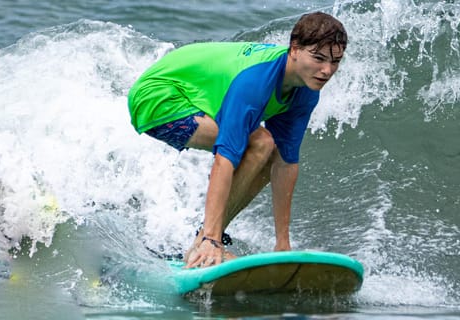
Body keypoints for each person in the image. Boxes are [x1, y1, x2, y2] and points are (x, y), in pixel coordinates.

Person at [127, 12, 347, 268]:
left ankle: (207, 239)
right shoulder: (255, 82)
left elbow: (286, 164)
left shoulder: (305, 90)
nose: (327, 70)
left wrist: (282, 246)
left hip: (191, 96)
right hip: (157, 96)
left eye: (335, 61)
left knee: (273, 151)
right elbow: (225, 157)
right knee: (260, 143)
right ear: (295, 49)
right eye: (319, 58)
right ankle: (207, 241)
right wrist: (211, 237)